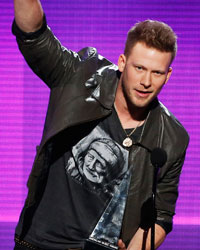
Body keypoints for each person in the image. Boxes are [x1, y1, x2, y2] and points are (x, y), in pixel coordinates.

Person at [12, 0, 189, 250]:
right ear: (122, 62)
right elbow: (35, 38)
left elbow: (160, 215)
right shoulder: (80, 77)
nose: (146, 81)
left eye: (156, 73)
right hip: (37, 242)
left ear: (168, 75)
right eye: (139, 68)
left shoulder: (172, 138)